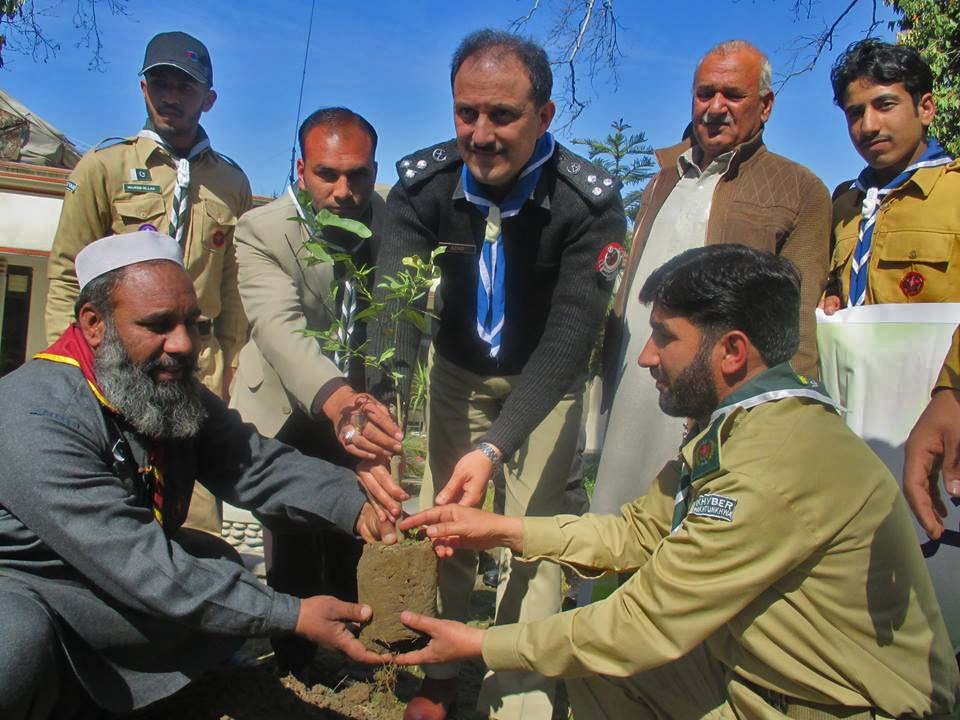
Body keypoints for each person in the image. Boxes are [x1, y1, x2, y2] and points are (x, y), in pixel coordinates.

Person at [394, 244, 960, 720]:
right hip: (761, 673)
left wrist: (478, 643)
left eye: (664, 337)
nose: (644, 357)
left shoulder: (775, 461)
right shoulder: (743, 423)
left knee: (604, 652)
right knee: (596, 671)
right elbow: (636, 532)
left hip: (843, 704)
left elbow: (643, 622)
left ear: (732, 351)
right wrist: (500, 529)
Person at [0, 231, 394, 720]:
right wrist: (290, 615)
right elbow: (137, 563)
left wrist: (359, 505)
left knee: (212, 559)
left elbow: (256, 463)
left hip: (102, 592)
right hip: (32, 592)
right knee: (14, 644)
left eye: (194, 323)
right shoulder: (35, 416)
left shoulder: (160, 386)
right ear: (94, 323)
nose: (184, 344)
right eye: (159, 325)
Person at [370, 29, 625, 720]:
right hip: (458, 374)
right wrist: (377, 406)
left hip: (546, 384)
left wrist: (495, 447)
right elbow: (394, 310)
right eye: (465, 113)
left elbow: (571, 340)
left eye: (503, 116)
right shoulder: (423, 188)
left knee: (530, 538)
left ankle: (517, 690)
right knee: (445, 528)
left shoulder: (587, 202)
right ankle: (441, 676)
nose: (480, 135)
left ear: (544, 115)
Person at [591, 39, 831, 523]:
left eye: (732, 95)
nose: (715, 108)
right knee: (619, 526)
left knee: (700, 533)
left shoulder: (799, 190)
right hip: (635, 387)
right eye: (704, 94)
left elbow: (798, 322)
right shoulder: (665, 178)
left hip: (720, 399)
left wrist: (779, 418)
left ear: (765, 106)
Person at [44, 31, 253, 535]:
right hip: (118, 358)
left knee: (195, 504)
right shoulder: (104, 168)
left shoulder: (231, 183)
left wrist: (230, 362)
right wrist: (65, 363)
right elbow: (65, 272)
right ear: (143, 89)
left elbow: (235, 286)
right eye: (159, 83)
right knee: (110, 492)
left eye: (185, 87)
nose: (170, 96)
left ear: (209, 99)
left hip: (194, 363)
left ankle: (191, 606)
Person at [230, 107, 402, 674]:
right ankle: (297, 659)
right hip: (293, 403)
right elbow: (279, 329)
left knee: (362, 529)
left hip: (364, 402)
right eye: (328, 174)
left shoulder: (395, 222)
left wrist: (369, 403)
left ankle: (359, 647)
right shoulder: (263, 229)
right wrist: (338, 403)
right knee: (295, 530)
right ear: (301, 167)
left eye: (358, 174)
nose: (344, 190)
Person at [820, 39, 960, 539]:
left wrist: (955, 393)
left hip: (942, 424)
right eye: (855, 113)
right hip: (859, 435)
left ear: (925, 107)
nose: (869, 125)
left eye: (885, 104)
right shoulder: (845, 204)